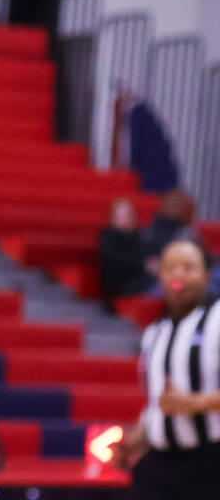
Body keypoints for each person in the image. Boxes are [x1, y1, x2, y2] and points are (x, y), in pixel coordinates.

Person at [130, 239, 220, 500]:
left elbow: (182, 403)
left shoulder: (216, 318)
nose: (178, 275)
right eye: (170, 268)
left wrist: (195, 403)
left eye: (188, 267)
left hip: (210, 462)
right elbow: (155, 401)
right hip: (160, 465)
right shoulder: (154, 332)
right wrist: (140, 434)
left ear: (206, 273)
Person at [98, 197, 157, 307]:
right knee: (163, 285)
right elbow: (116, 261)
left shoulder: (140, 236)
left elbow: (148, 255)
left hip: (144, 280)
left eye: (127, 215)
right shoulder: (107, 237)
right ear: (112, 218)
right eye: (120, 216)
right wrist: (144, 265)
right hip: (122, 287)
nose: (124, 219)